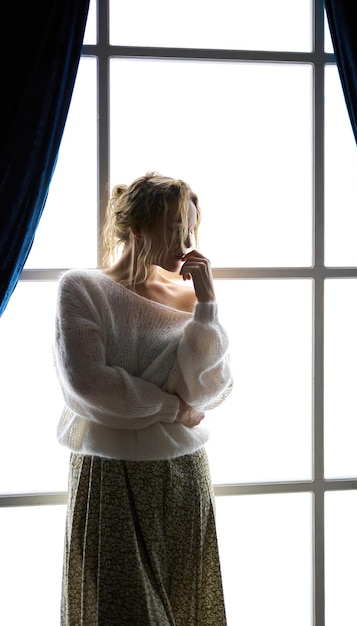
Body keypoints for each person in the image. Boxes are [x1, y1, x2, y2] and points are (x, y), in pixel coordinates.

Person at [53, 172, 233, 625]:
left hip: (181, 474)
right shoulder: (82, 289)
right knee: (122, 612)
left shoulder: (192, 297)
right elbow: (90, 386)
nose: (187, 242)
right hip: (109, 478)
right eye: (175, 228)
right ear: (137, 230)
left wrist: (208, 306)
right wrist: (172, 408)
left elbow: (209, 390)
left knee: (186, 610)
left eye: (191, 228)